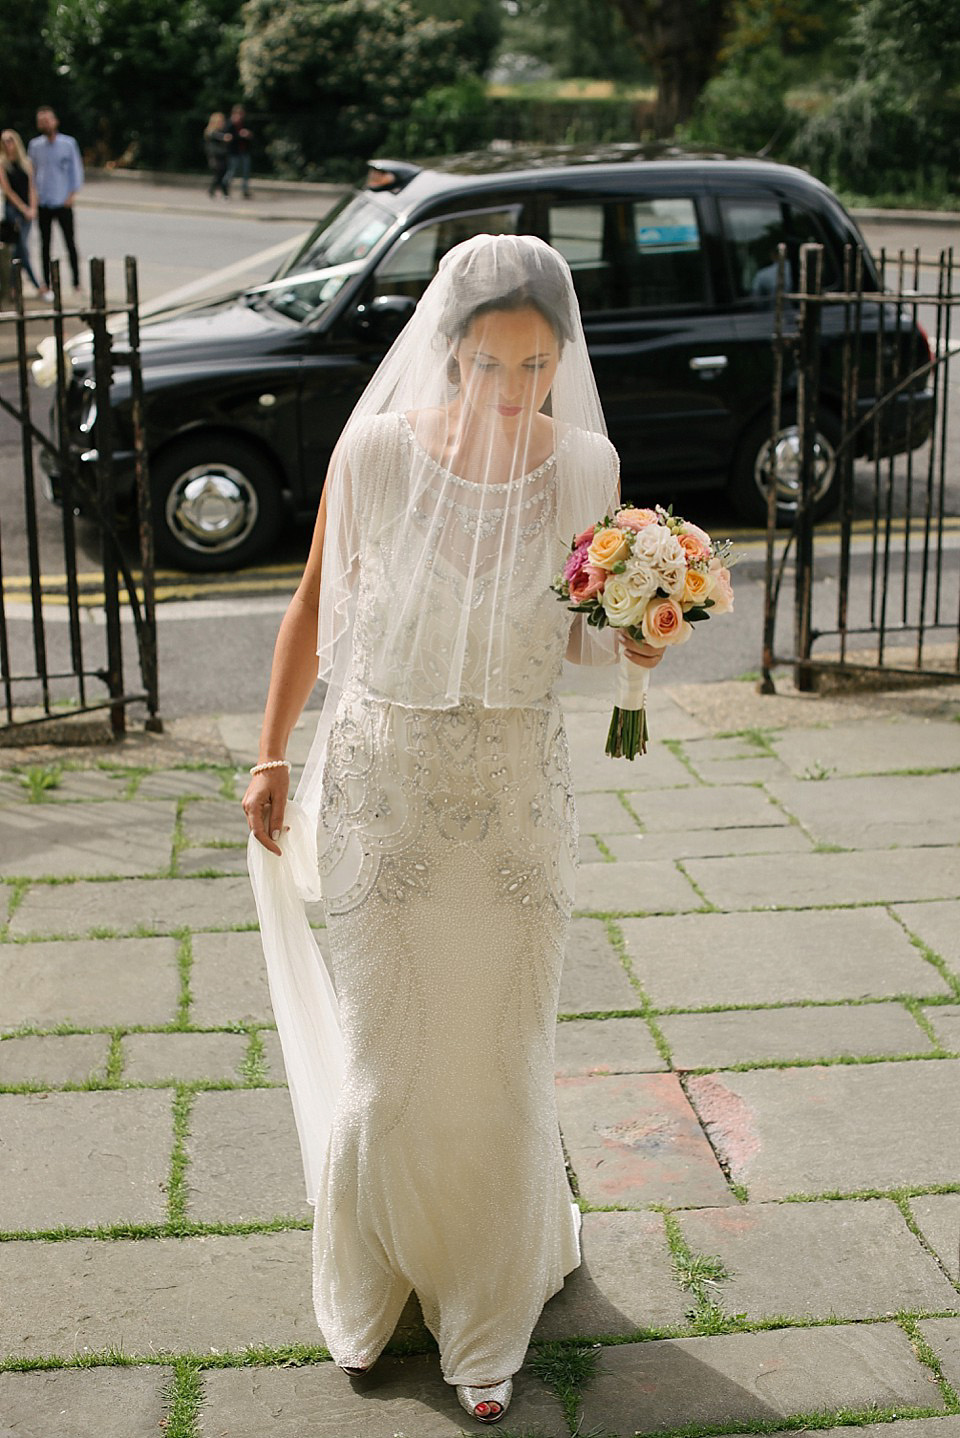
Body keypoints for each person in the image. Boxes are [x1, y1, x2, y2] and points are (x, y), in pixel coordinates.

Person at [243, 234, 663, 1425]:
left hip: (515, 800)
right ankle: (375, 1281)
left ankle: (487, 1304)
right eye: (490, 365)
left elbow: (592, 637)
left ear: (559, 362)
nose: (513, 392)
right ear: (451, 351)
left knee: (495, 1057)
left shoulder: (588, 467)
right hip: (386, 790)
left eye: (536, 369)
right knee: (393, 1059)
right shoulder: (377, 450)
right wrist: (272, 751)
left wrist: (642, 638)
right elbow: (316, 606)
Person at [27, 106, 83, 295]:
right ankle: (47, 283)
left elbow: (76, 171)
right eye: (41, 121)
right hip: (44, 202)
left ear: (55, 121)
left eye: (48, 120)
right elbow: (32, 174)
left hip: (63, 201)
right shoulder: (35, 146)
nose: (45, 124)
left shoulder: (68, 144)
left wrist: (71, 196)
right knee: (45, 244)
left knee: (70, 242)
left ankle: (76, 282)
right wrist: (34, 198)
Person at [0, 129, 43, 300]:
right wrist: (23, 208)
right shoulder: (2, 164)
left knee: (20, 249)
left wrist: (32, 208)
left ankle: (13, 286)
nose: (7, 144)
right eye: (4, 141)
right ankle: (37, 285)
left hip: (28, 210)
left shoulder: (26, 162)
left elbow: (32, 187)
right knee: (21, 248)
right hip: (13, 210)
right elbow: (8, 191)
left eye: (10, 140)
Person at [225, 104, 253, 198]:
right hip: (234, 152)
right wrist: (239, 135)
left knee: (246, 172)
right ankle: (225, 188)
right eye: (239, 114)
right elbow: (228, 137)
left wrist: (248, 134)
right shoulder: (230, 124)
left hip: (244, 151)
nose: (240, 116)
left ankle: (245, 191)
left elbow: (251, 135)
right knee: (232, 171)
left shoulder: (245, 123)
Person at [204, 112, 230, 199]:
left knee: (221, 175)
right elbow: (217, 136)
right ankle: (224, 193)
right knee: (219, 175)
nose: (222, 123)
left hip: (222, 156)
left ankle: (215, 191)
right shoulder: (211, 131)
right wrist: (224, 137)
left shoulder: (221, 131)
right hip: (215, 157)